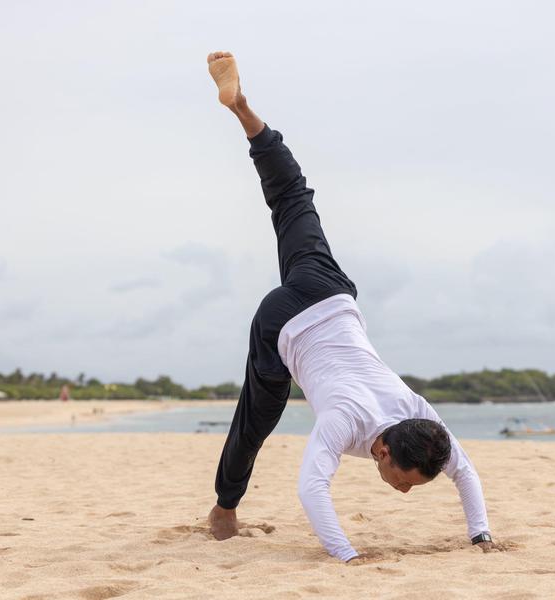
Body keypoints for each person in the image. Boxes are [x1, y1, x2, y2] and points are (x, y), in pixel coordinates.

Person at [206, 51, 498, 562]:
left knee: (294, 199)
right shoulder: (345, 420)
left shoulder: (423, 425)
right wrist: (347, 555)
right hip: (283, 325)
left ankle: (247, 114)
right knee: (255, 419)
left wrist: (482, 536)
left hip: (330, 294)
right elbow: (311, 489)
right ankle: (224, 511)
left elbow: (463, 471)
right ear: (381, 451)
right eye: (402, 481)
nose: (404, 490)